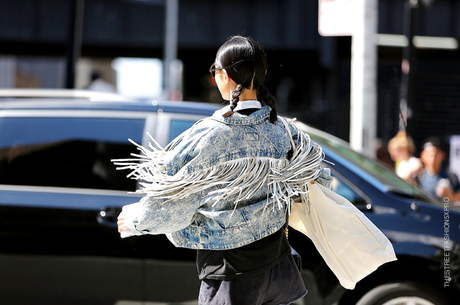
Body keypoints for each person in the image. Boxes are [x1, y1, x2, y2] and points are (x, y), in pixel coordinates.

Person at [115, 36, 332, 305]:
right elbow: (320, 179)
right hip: (278, 270)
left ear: (226, 76)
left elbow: (172, 203)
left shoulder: (209, 136)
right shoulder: (284, 131)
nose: (214, 76)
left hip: (231, 276)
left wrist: (136, 220)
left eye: (214, 70)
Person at [418, 137, 460, 202]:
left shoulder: (451, 177)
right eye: (430, 154)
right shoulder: (418, 176)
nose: (433, 158)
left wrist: (449, 196)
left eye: (436, 154)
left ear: (442, 155)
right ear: (422, 155)